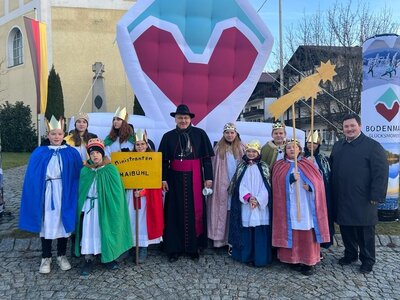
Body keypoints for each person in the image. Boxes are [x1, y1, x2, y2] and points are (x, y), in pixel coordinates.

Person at [19, 116, 82, 274]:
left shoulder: (72, 153)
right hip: (46, 193)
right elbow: (32, 176)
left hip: (64, 192)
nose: (56, 137)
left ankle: (61, 255)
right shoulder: (39, 152)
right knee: (46, 223)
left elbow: (77, 175)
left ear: (64, 135)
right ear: (48, 135)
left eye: (59, 134)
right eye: (53, 134)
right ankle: (45, 257)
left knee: (63, 222)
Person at [330, 113, 388, 274]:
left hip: (364, 198)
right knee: (346, 228)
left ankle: (368, 260)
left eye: (352, 126)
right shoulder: (338, 146)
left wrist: (376, 195)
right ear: (342, 129)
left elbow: (381, 173)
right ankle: (350, 254)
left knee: (365, 231)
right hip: (342, 196)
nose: (349, 129)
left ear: (359, 126)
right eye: (346, 126)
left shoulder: (372, 146)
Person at [158, 104, 214, 262]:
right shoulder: (168, 136)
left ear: (190, 119)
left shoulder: (200, 134)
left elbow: (206, 159)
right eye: (180, 118)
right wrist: (163, 178)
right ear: (175, 119)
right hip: (174, 179)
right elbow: (163, 161)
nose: (183, 120)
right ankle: (174, 249)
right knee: (173, 212)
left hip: (194, 178)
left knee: (194, 212)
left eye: (185, 118)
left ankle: (193, 248)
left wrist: (208, 178)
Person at [74, 138, 133, 276]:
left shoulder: (110, 169)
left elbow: (117, 191)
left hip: (105, 207)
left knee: (104, 231)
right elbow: (81, 191)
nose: (95, 155)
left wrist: (112, 205)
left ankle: (107, 258)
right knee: (89, 232)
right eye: (92, 153)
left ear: (102, 153)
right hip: (89, 207)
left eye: (98, 153)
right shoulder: (85, 171)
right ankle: (88, 259)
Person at [272, 139, 330, 275]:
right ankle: (293, 259)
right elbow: (276, 185)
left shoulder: (307, 164)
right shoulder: (279, 165)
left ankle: (308, 260)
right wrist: (290, 179)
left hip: (306, 205)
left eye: (295, 147)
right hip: (288, 205)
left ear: (300, 149)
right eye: (289, 148)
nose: (292, 150)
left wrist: (311, 187)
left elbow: (319, 183)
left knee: (306, 229)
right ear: (285, 151)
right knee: (291, 229)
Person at [228, 140, 272, 267]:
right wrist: (249, 198)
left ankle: (260, 257)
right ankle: (246, 256)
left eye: (254, 151)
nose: (251, 154)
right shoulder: (242, 166)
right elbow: (240, 185)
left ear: (258, 153)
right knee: (246, 231)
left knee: (259, 231)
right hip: (246, 204)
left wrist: (258, 199)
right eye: (249, 151)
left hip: (260, 205)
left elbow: (267, 186)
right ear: (245, 152)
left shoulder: (264, 167)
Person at [126, 129, 164, 263]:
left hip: (146, 197)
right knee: (131, 219)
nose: (140, 147)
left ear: (147, 144)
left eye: (142, 144)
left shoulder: (153, 159)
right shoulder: (128, 159)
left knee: (142, 222)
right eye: (137, 144)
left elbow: (155, 180)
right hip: (131, 195)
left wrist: (143, 192)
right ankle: (131, 246)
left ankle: (142, 247)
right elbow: (125, 177)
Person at [207, 123, 245, 249]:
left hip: (237, 184)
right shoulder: (218, 148)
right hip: (221, 185)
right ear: (223, 134)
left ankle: (231, 241)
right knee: (221, 211)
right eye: (227, 132)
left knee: (233, 211)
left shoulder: (241, 147)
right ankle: (219, 241)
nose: (229, 135)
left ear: (236, 134)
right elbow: (212, 166)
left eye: (232, 133)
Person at [304, 131, 334, 249]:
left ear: (318, 145)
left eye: (314, 143)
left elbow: (326, 177)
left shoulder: (323, 159)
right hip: (305, 194)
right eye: (309, 143)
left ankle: (321, 242)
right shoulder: (300, 157)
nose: (311, 145)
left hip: (320, 194)